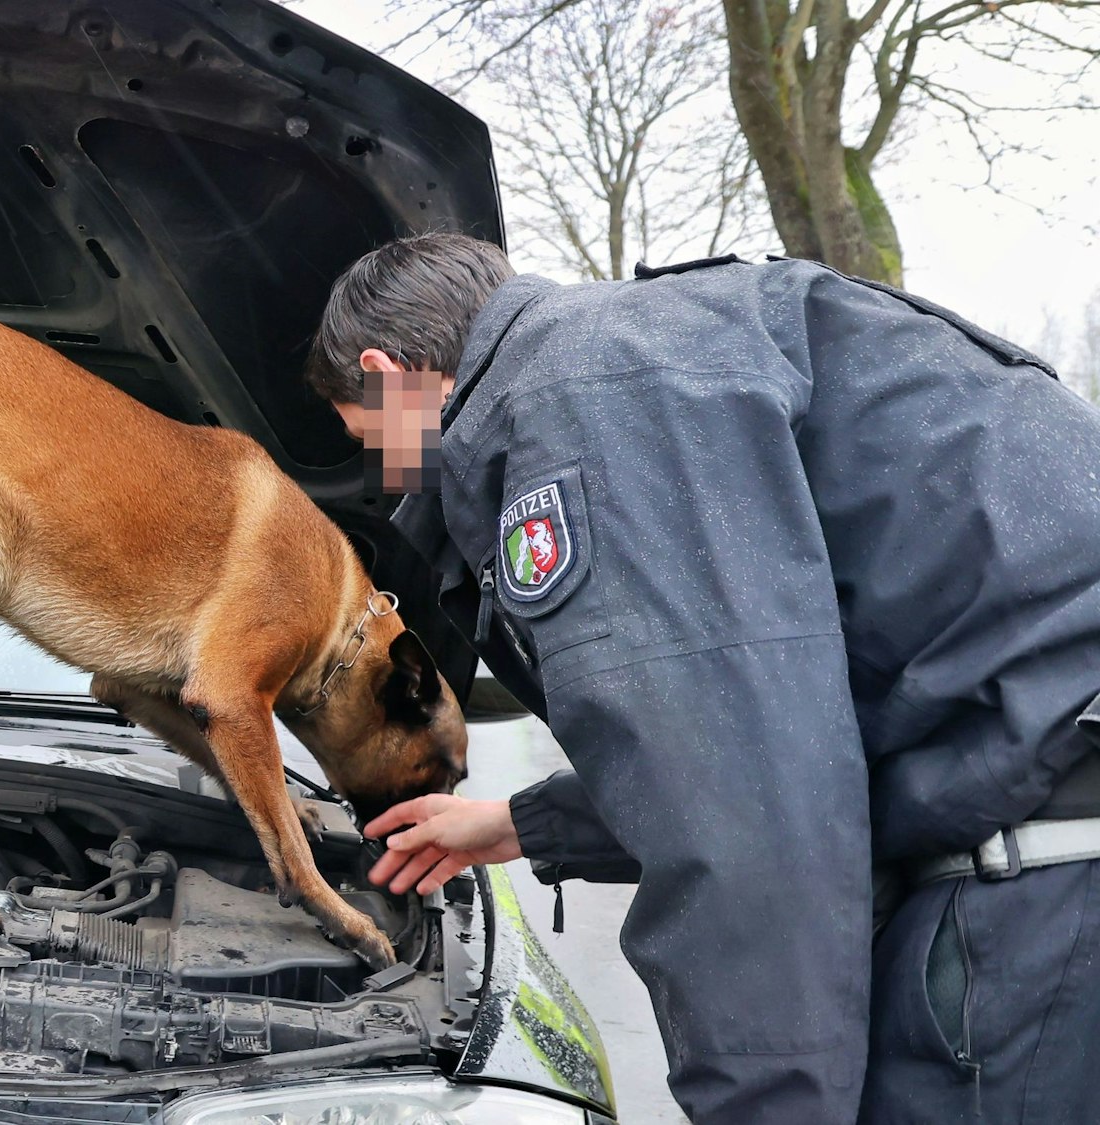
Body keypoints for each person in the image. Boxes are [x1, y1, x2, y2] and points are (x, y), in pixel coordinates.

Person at [305, 232, 1100, 1123]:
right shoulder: (654, 350)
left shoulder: (578, 399)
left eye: (365, 434)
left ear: (385, 372)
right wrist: (522, 823)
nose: (383, 472)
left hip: (1047, 882)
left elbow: (745, 804)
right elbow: (765, 731)